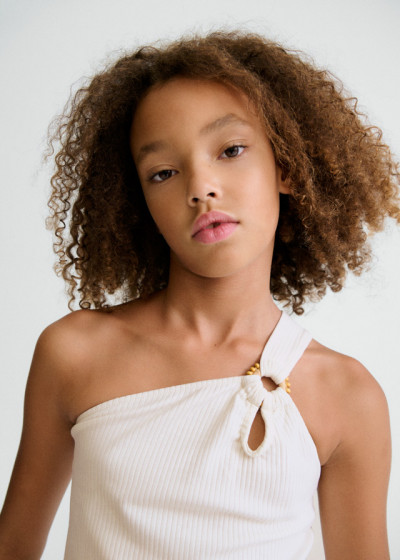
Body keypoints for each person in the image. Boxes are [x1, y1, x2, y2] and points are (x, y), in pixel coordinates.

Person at [0, 30, 398, 560]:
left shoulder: (347, 395)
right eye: (163, 172)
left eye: (230, 150)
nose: (200, 187)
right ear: (139, 200)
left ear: (286, 165)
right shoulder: (75, 353)